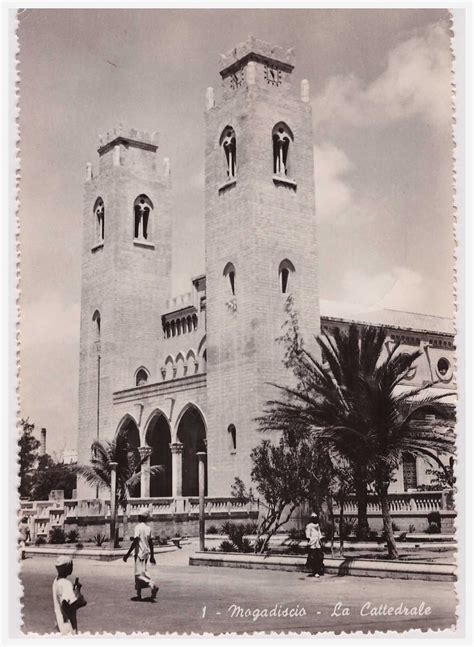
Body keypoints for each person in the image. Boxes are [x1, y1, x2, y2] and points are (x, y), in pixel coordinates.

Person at [123, 513, 159, 602]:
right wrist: (152, 556)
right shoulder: (148, 528)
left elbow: (135, 541)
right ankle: (138, 594)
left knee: (138, 574)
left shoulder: (138, 527)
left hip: (139, 554)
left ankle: (152, 584)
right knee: (141, 572)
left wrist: (127, 554)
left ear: (139, 517)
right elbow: (151, 543)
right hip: (146, 553)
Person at [52, 556, 87, 634]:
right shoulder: (66, 584)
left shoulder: (56, 581)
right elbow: (72, 605)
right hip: (68, 626)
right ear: (67, 567)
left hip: (60, 622)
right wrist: (78, 591)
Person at [305, 513, 324, 578]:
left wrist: (321, 540)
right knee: (313, 558)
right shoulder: (309, 526)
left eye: (316, 518)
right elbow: (308, 535)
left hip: (317, 543)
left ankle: (318, 570)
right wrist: (309, 543)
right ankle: (315, 571)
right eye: (314, 518)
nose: (315, 519)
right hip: (312, 544)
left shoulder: (317, 525)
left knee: (320, 557)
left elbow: (319, 533)